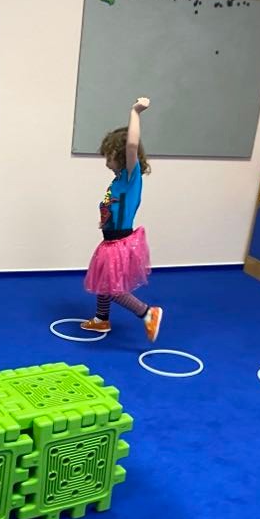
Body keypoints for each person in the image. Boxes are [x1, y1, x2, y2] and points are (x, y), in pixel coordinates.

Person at [81, 97, 162, 341]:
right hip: (110, 240)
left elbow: (132, 145)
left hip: (119, 243)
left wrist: (135, 112)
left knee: (112, 287)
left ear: (122, 155)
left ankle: (147, 313)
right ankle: (101, 319)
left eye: (109, 157)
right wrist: (104, 219)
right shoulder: (117, 181)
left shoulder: (130, 176)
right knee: (103, 280)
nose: (106, 162)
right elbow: (113, 206)